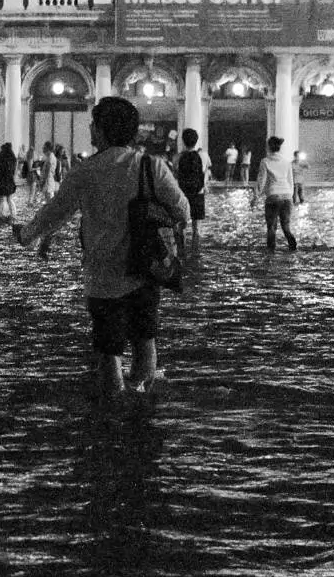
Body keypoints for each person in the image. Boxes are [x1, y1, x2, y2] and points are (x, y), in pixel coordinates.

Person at [13, 96, 189, 395]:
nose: (91, 130)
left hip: (103, 275)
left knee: (109, 351)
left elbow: (56, 213)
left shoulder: (85, 171)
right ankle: (141, 405)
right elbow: (182, 210)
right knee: (145, 340)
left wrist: (27, 236)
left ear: (103, 130)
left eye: (94, 125)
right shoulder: (151, 166)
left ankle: (113, 410)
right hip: (145, 270)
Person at [258, 134, 298, 253]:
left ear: (269, 147)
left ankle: (271, 251)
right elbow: (291, 181)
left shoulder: (265, 161)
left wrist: (256, 195)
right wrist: (289, 196)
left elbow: (262, 180)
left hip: (273, 196)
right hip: (286, 196)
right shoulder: (287, 162)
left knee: (271, 227)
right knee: (286, 226)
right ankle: (293, 246)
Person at [175, 128, 208, 238]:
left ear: (183, 141)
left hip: (183, 193)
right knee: (197, 228)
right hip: (198, 193)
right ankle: (196, 252)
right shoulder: (203, 156)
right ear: (196, 140)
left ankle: (181, 252)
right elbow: (204, 175)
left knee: (181, 226)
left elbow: (176, 174)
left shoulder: (178, 157)